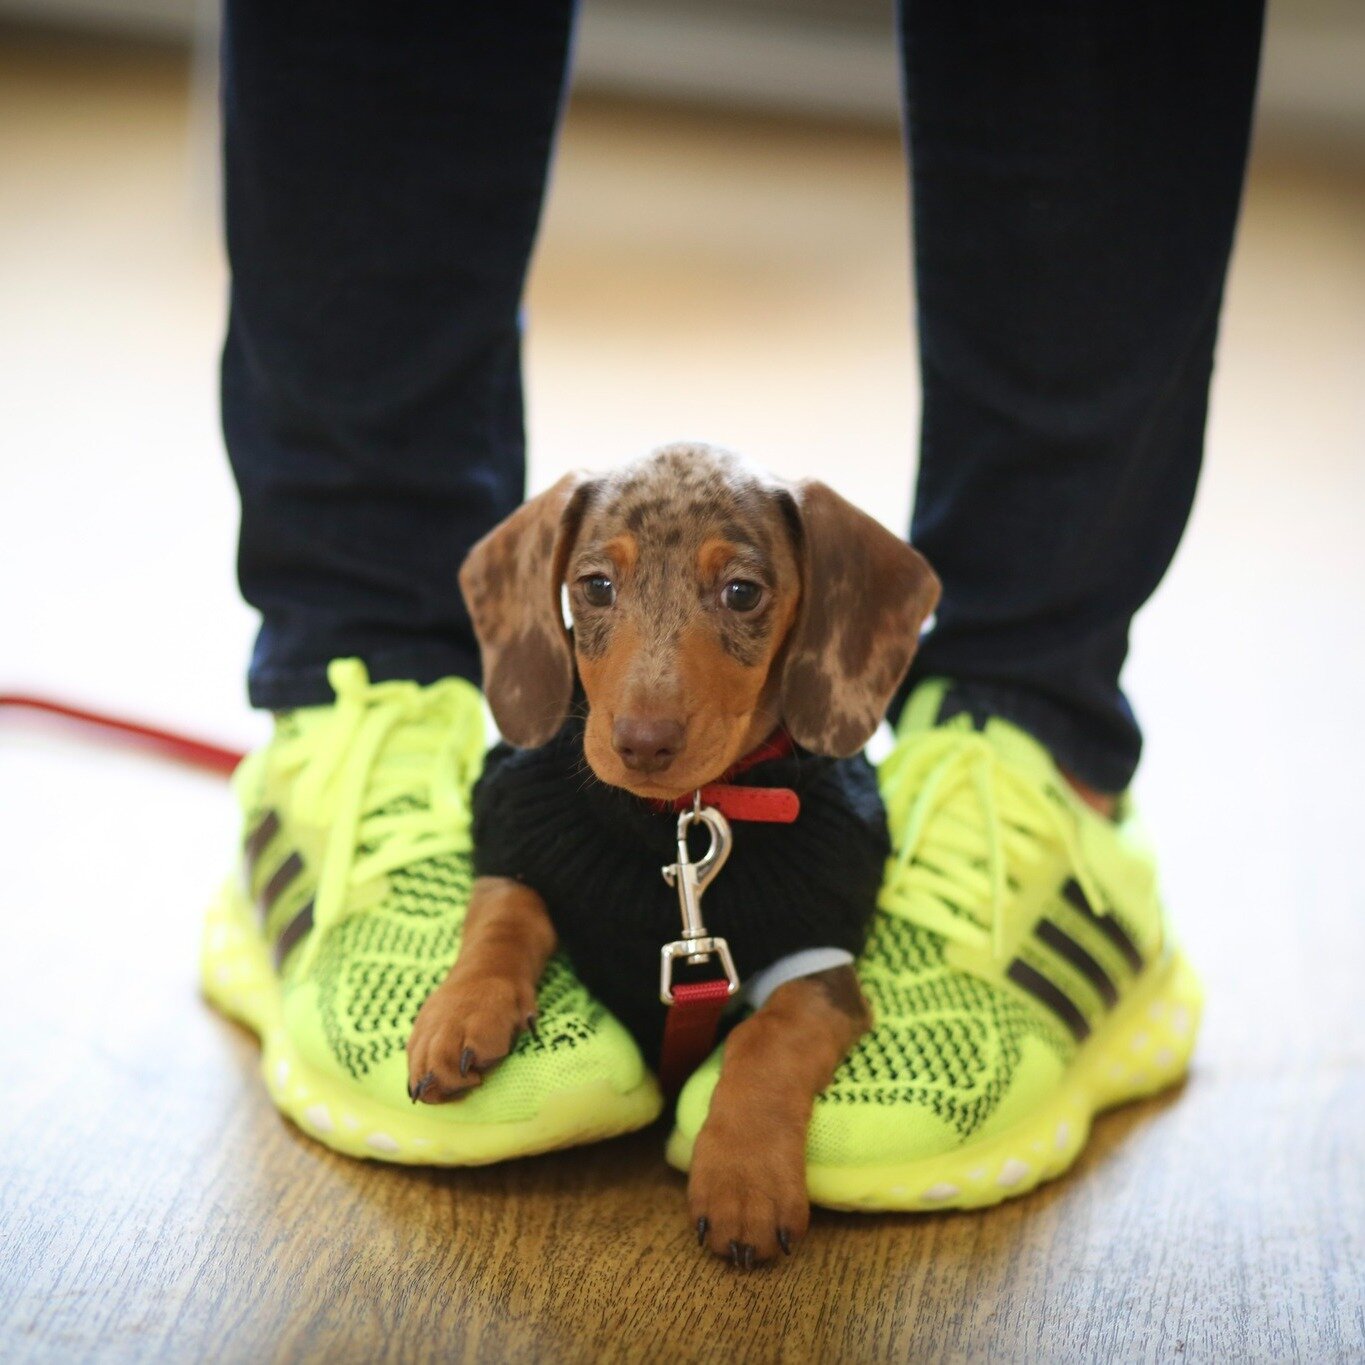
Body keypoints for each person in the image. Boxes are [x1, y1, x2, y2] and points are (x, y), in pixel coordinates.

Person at [204, 2, 1263, 1196]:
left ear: (824, 609)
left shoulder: (824, 806)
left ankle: (1034, 739)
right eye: (596, 592)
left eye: (743, 597)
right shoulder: (552, 767)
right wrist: (504, 941)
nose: (650, 709)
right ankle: (366, 687)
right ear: (542, 597)